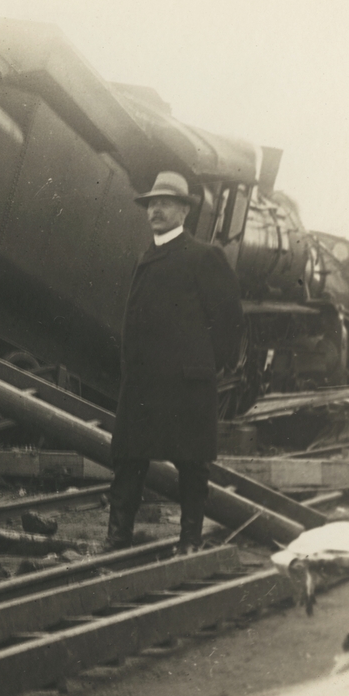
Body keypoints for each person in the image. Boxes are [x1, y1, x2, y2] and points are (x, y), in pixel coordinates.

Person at [107, 171, 245, 554]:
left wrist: (208, 365)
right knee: (128, 459)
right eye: (152, 203)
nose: (156, 209)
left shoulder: (203, 256)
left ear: (184, 211)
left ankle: (189, 542)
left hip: (186, 383)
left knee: (191, 465)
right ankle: (117, 541)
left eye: (165, 203)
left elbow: (229, 318)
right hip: (143, 384)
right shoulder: (145, 258)